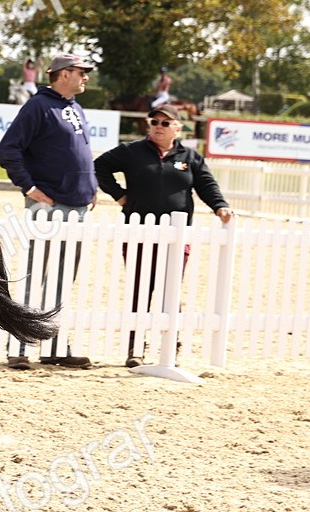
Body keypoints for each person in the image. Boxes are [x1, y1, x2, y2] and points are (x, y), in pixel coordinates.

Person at [94, 104, 233, 366]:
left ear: (178, 128)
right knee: (140, 290)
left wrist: (219, 205)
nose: (159, 126)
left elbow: (206, 184)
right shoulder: (131, 151)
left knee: (172, 290)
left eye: (165, 123)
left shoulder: (190, 157)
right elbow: (99, 167)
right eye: (154, 122)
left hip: (177, 235)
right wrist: (120, 196)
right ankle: (135, 348)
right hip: (138, 232)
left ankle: (172, 345)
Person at [0, 53, 99, 369]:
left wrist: (91, 186)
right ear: (63, 74)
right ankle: (20, 346)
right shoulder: (38, 107)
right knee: (36, 274)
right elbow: (7, 150)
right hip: (50, 205)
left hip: (78, 206)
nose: (86, 77)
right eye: (81, 72)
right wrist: (28, 187)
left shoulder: (75, 108)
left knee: (63, 277)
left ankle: (53, 345)